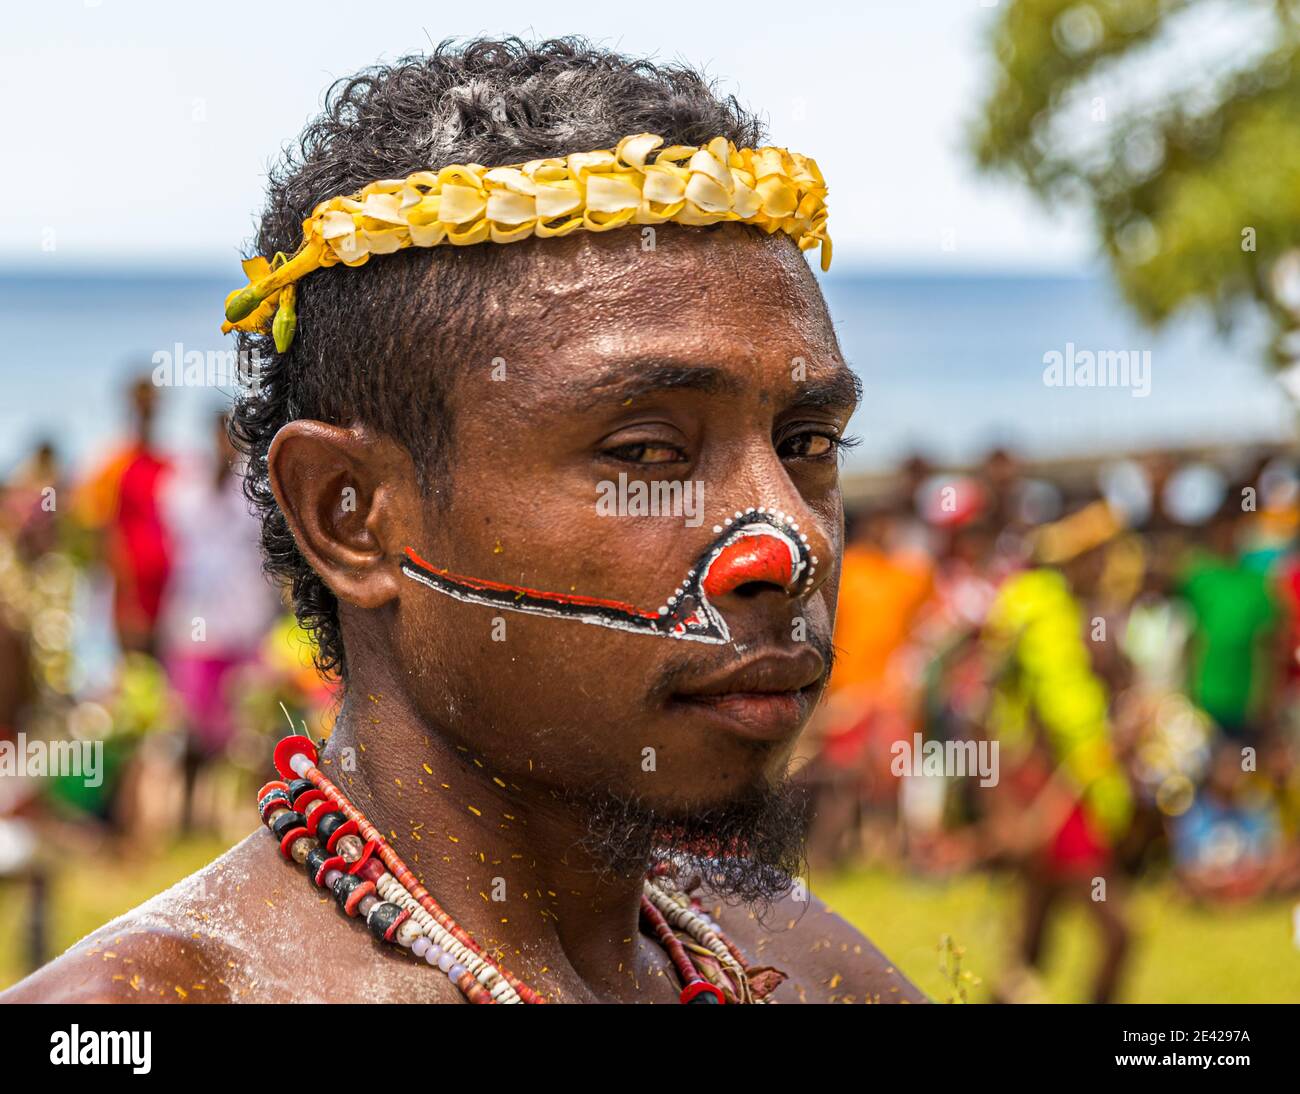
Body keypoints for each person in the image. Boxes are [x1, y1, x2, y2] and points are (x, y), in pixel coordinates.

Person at [3, 37, 924, 1004]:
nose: (790, 543)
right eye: (648, 453)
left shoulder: (815, 970)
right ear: (348, 516)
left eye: (809, 443)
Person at [159, 410, 281, 831]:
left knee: (243, 732)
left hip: (242, 628)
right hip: (195, 627)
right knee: (193, 732)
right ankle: (189, 817)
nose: (223, 443)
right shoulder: (186, 484)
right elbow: (175, 524)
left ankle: (242, 819)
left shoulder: (255, 486)